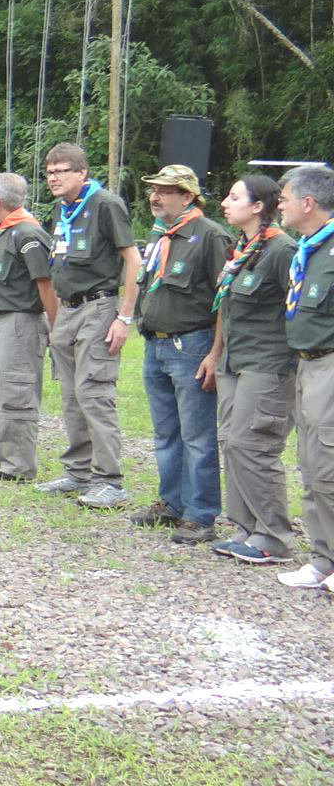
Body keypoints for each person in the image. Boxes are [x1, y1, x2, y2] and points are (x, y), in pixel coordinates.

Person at [128, 165, 232, 542]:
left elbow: (225, 302)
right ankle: (172, 502)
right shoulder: (161, 235)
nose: (155, 197)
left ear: (188, 196)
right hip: (156, 345)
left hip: (192, 345)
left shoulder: (210, 236)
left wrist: (215, 353)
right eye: (154, 189)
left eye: (166, 190)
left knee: (198, 436)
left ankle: (201, 514)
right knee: (166, 433)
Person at [38, 143, 142, 510]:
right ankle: (78, 472)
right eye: (49, 171)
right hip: (68, 310)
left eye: (62, 170)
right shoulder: (61, 208)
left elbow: (133, 261)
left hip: (98, 307)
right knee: (70, 394)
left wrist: (124, 317)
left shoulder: (105, 205)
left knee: (94, 393)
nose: (53, 177)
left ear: (82, 172)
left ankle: (109, 481)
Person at [198, 175, 296, 565]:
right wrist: (216, 353)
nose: (224, 202)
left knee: (253, 444)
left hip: (268, 363)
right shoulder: (243, 248)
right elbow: (227, 305)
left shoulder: (282, 250)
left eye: (235, 197)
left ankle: (273, 536)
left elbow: (300, 308)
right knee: (231, 442)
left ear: (258, 207)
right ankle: (246, 526)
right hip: (235, 361)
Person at [0, 172, 57, 482]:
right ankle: (1, 451)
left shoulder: (27, 234)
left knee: (16, 392)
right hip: (0, 319)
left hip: (22, 321)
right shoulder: (4, 233)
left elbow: (46, 284)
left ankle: (19, 465)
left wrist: (55, 326)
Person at [276, 163, 334, 588]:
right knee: (312, 464)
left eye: (285, 198)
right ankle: (323, 559)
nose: (280, 204)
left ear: (308, 202)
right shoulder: (309, 247)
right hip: (307, 364)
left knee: (330, 463)